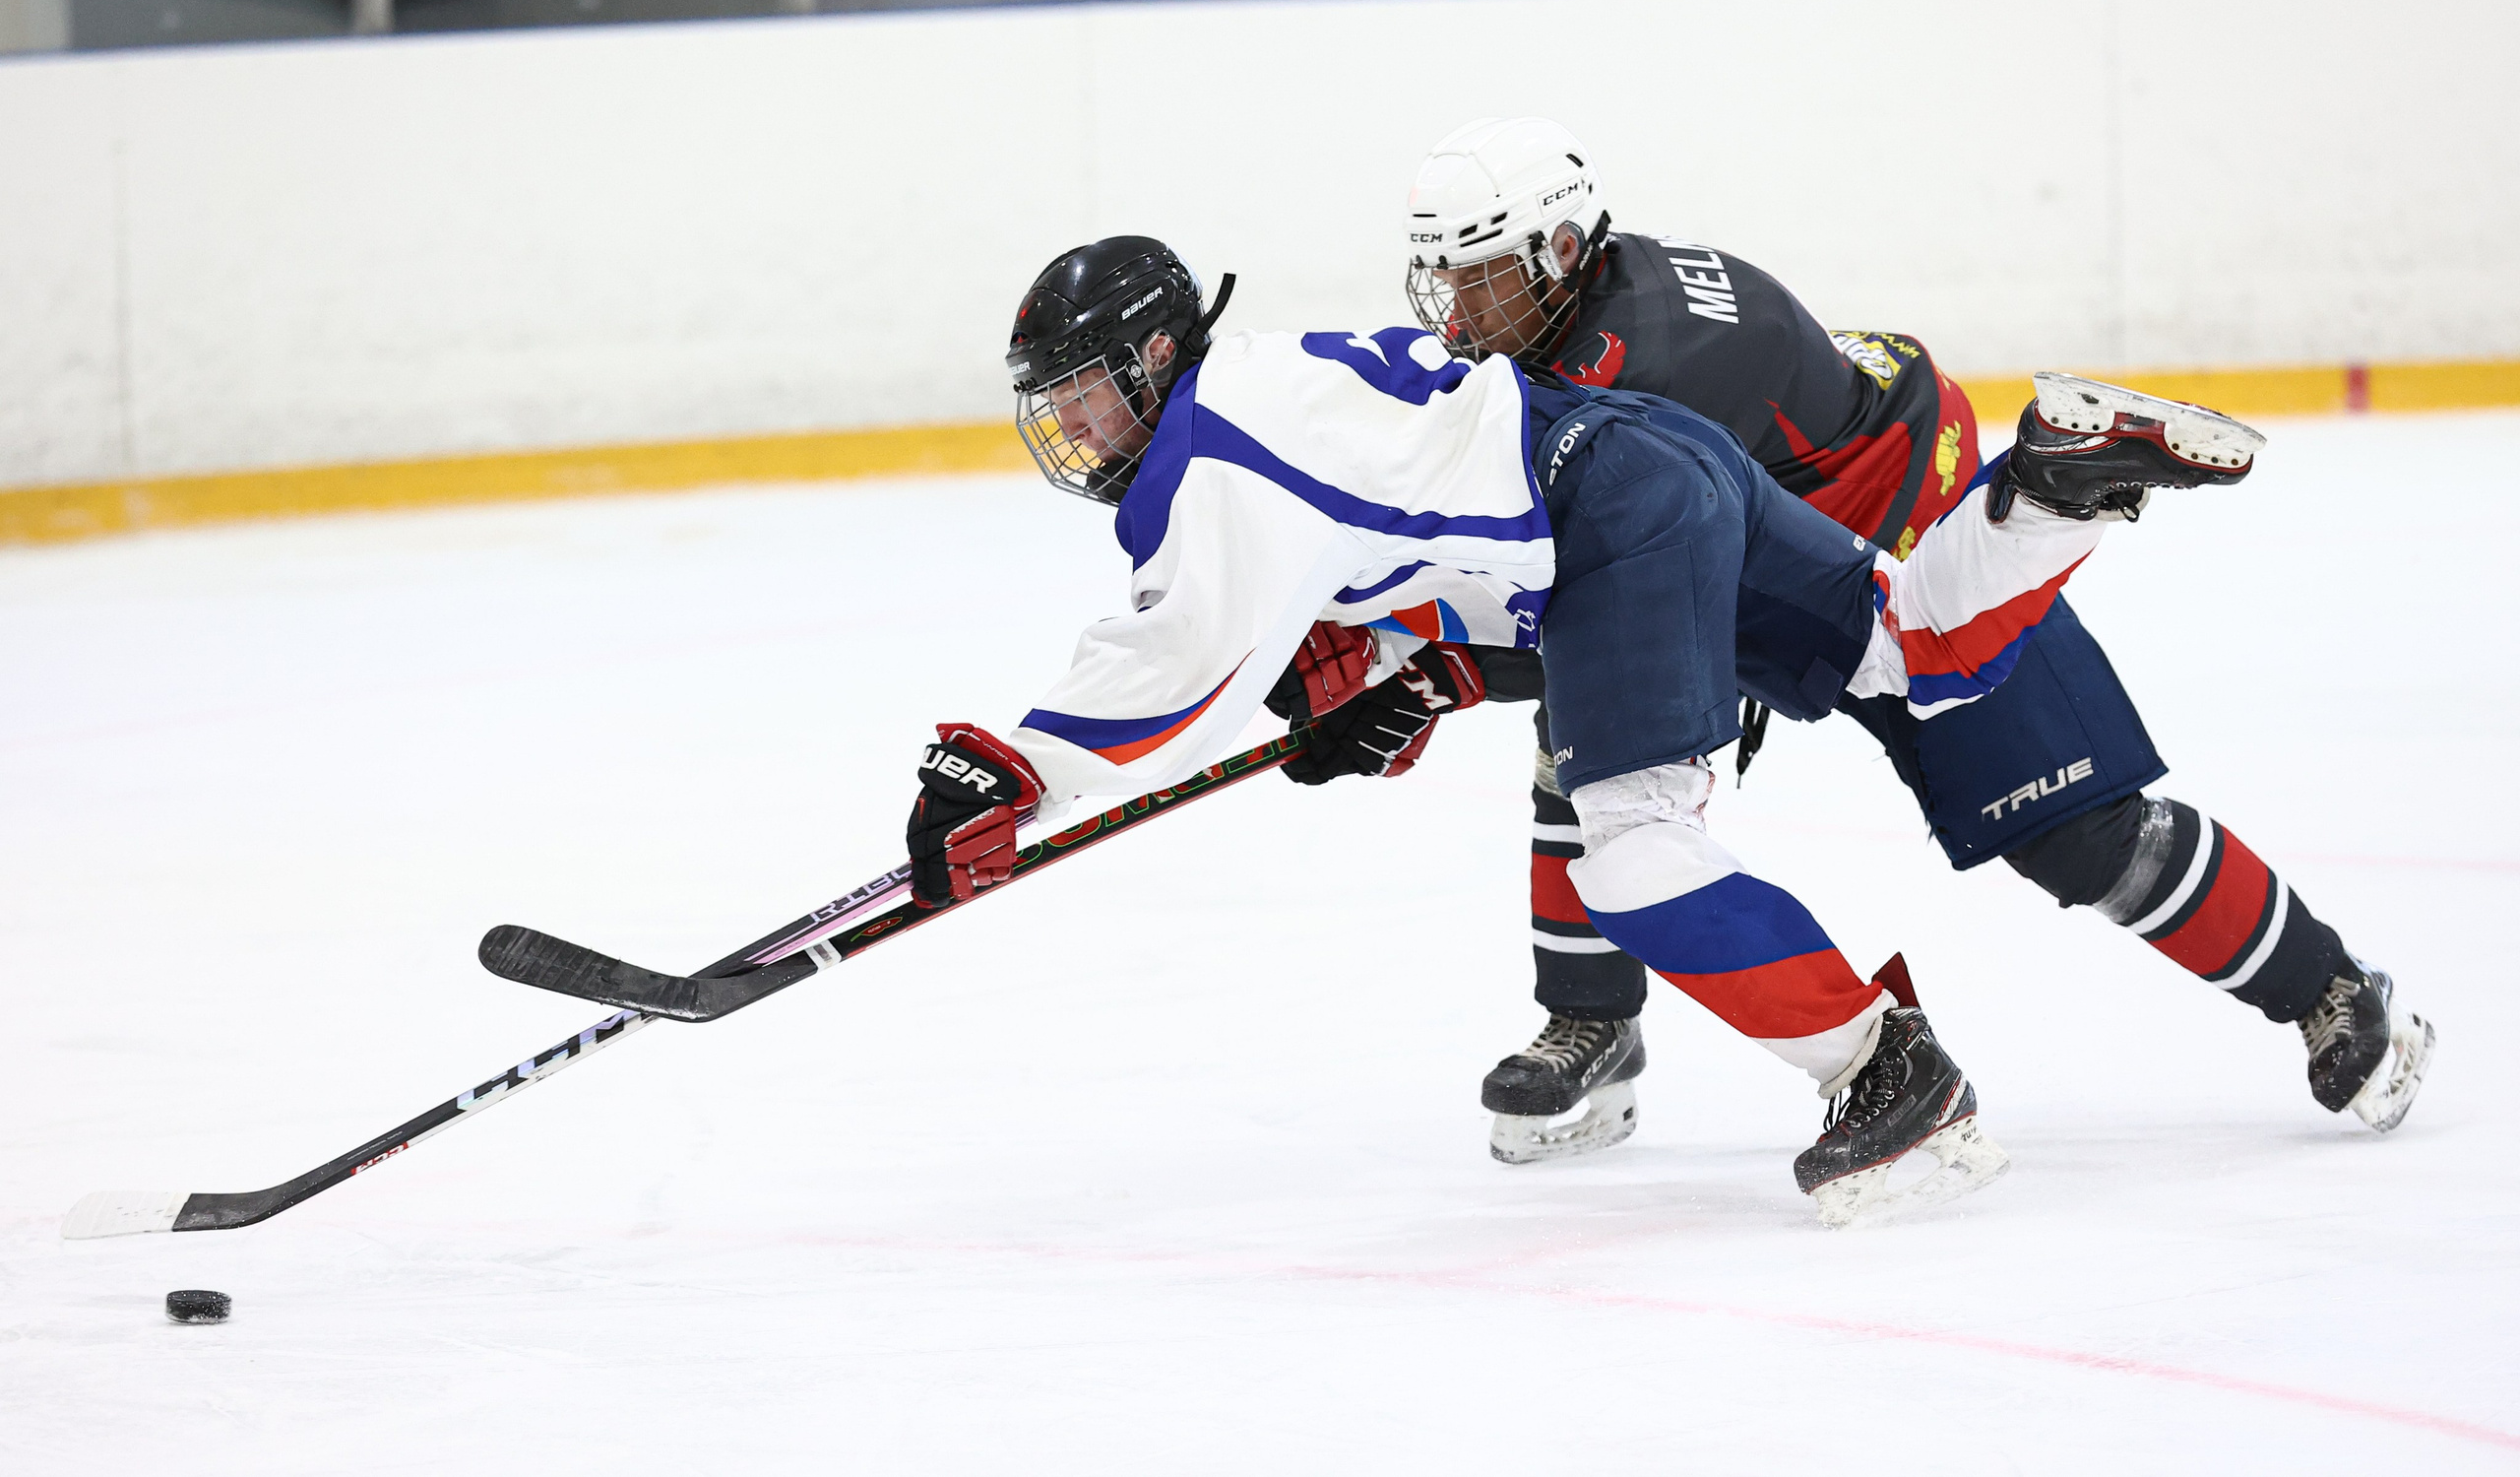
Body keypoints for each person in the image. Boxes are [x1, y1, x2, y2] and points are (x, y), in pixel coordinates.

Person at [902, 232, 2266, 1226]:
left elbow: (1177, 656)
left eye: (1082, 389)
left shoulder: (1208, 454)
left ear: (1156, 355)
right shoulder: (1271, 377)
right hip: (1651, 450)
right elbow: (1395, 531)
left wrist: (1009, 770)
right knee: (1908, 649)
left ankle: (1881, 1068)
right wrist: (1379, 668)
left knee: (1635, 852)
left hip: (1607, 523)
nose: (1069, 424)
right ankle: (2048, 488)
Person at [1401, 116, 2435, 1165]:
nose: (1458, 312)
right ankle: (1592, 1020)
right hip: (1766, 525)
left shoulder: (1640, 364)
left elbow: (1579, 580)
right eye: (1444, 279)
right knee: (1587, 737)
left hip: (1898, 530)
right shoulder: (1577, 320)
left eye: (1482, 278)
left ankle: (2333, 988)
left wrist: (1429, 670)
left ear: (1562, 251)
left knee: (2078, 830)